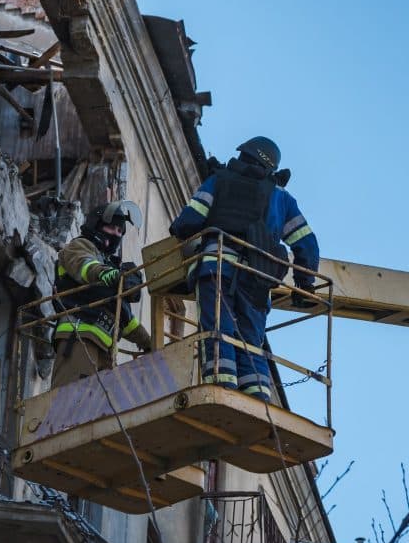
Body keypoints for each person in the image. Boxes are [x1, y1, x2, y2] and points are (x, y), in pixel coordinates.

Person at [169, 136, 320, 401]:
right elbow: (306, 243)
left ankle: (220, 386)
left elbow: (186, 223)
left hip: (218, 268)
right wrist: (304, 283)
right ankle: (258, 396)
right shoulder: (281, 197)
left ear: (244, 155)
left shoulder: (218, 181)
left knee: (218, 328)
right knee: (251, 340)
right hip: (258, 278)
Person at [50, 200, 153, 389]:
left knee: (95, 412)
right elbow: (85, 266)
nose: (117, 234)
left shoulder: (111, 270)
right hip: (79, 337)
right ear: (96, 225)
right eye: (113, 228)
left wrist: (148, 342)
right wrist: (108, 274)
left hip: (105, 352)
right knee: (71, 404)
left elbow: (125, 318)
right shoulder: (80, 246)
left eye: (121, 231)